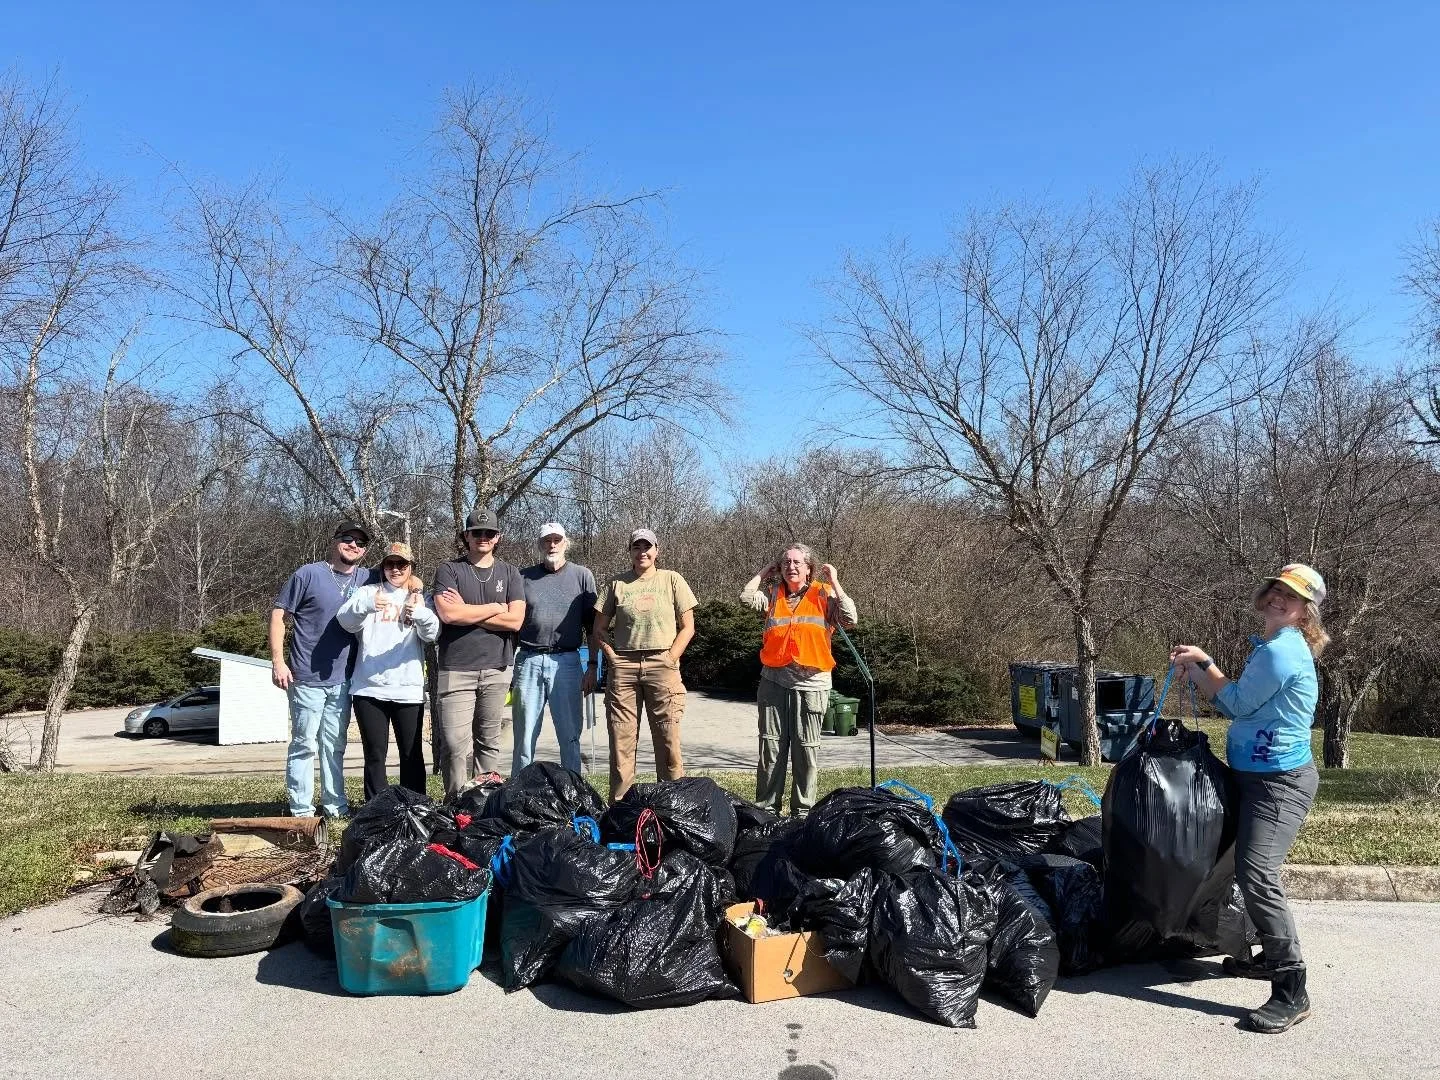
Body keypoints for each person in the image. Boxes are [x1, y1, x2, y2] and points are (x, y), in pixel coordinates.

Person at [1171, 563, 1330, 1035]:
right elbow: (1236, 699)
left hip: (1279, 783)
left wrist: (1203, 664)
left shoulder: (1282, 652)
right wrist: (1199, 665)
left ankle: (1291, 988)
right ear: (1266, 595)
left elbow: (1236, 702)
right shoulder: (1272, 647)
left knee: (1257, 873)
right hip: (1252, 776)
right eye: (1277, 590)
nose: (1281, 599)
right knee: (1230, 864)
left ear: (1305, 612)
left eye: (1293, 597)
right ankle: (1262, 955)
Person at [741, 545, 858, 817]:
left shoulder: (823, 594)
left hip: (811, 684)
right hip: (773, 681)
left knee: (806, 751)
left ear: (808, 568)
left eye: (797, 562)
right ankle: (767, 810)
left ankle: (802, 812)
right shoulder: (772, 594)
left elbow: (851, 618)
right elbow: (746, 598)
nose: (790, 567)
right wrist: (763, 572)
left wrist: (836, 583)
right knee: (770, 747)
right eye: (785, 562)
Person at [270, 521, 373, 819]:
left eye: (360, 543)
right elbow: (279, 616)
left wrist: (416, 586)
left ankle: (335, 807)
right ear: (335, 541)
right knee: (304, 745)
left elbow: (402, 576)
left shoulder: (367, 578)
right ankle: (301, 810)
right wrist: (278, 662)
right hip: (305, 678)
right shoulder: (308, 574)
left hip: (344, 680)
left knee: (334, 745)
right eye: (348, 539)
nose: (353, 545)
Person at [591, 528, 697, 802]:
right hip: (624, 667)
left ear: (657, 550)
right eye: (636, 547)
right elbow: (599, 629)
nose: (642, 552)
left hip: (662, 663)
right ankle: (621, 810)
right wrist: (612, 657)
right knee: (621, 742)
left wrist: (671, 657)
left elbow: (688, 627)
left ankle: (674, 806)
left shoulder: (672, 580)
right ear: (630, 551)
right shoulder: (616, 584)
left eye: (647, 547)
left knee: (668, 740)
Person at [432, 507, 526, 796]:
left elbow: (516, 620)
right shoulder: (449, 570)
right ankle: (455, 805)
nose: (482, 537)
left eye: (489, 533)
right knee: (455, 743)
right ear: (466, 536)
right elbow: (448, 615)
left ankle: (482, 807)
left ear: (497, 537)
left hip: (497, 668)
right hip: (455, 668)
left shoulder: (510, 573)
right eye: (476, 533)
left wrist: (467, 610)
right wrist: (494, 608)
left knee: (488, 741)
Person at [337, 541, 440, 802]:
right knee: (374, 753)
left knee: (411, 753)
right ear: (383, 567)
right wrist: (368, 606)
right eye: (390, 564)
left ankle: (416, 806)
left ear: (411, 568)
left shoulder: (420, 598)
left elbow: (432, 635)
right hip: (369, 688)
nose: (395, 569)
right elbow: (345, 621)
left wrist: (422, 615)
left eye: (402, 564)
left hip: (408, 689)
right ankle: (377, 809)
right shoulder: (368, 592)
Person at [512, 523, 599, 776]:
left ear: (565, 543)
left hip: (568, 662)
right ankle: (518, 793)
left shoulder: (583, 576)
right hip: (528, 660)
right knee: (524, 737)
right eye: (546, 540)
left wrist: (592, 665)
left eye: (557, 540)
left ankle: (572, 791)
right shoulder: (523, 577)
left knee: (570, 735)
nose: (552, 545)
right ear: (539, 545)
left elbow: (593, 627)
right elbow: (511, 622)